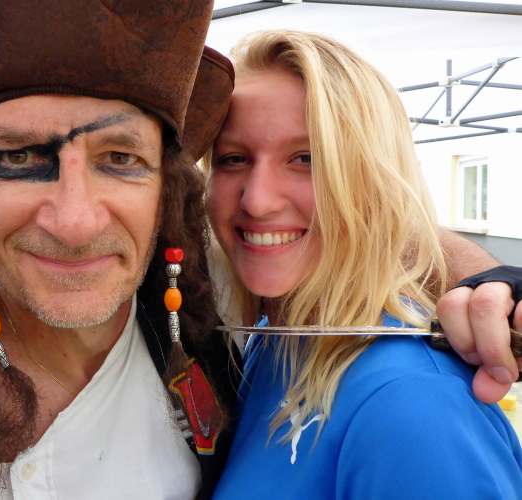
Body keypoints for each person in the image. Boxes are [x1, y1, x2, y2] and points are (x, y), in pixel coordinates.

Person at [0, 2, 517, 498]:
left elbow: (375, 220)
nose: (73, 221)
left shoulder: (203, 327)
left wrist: (498, 284)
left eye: (120, 159)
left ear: (167, 193)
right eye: (19, 157)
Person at [205, 30, 522, 499]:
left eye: (307, 159)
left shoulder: (413, 404)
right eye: (233, 159)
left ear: (374, 180)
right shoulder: (275, 341)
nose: (257, 200)